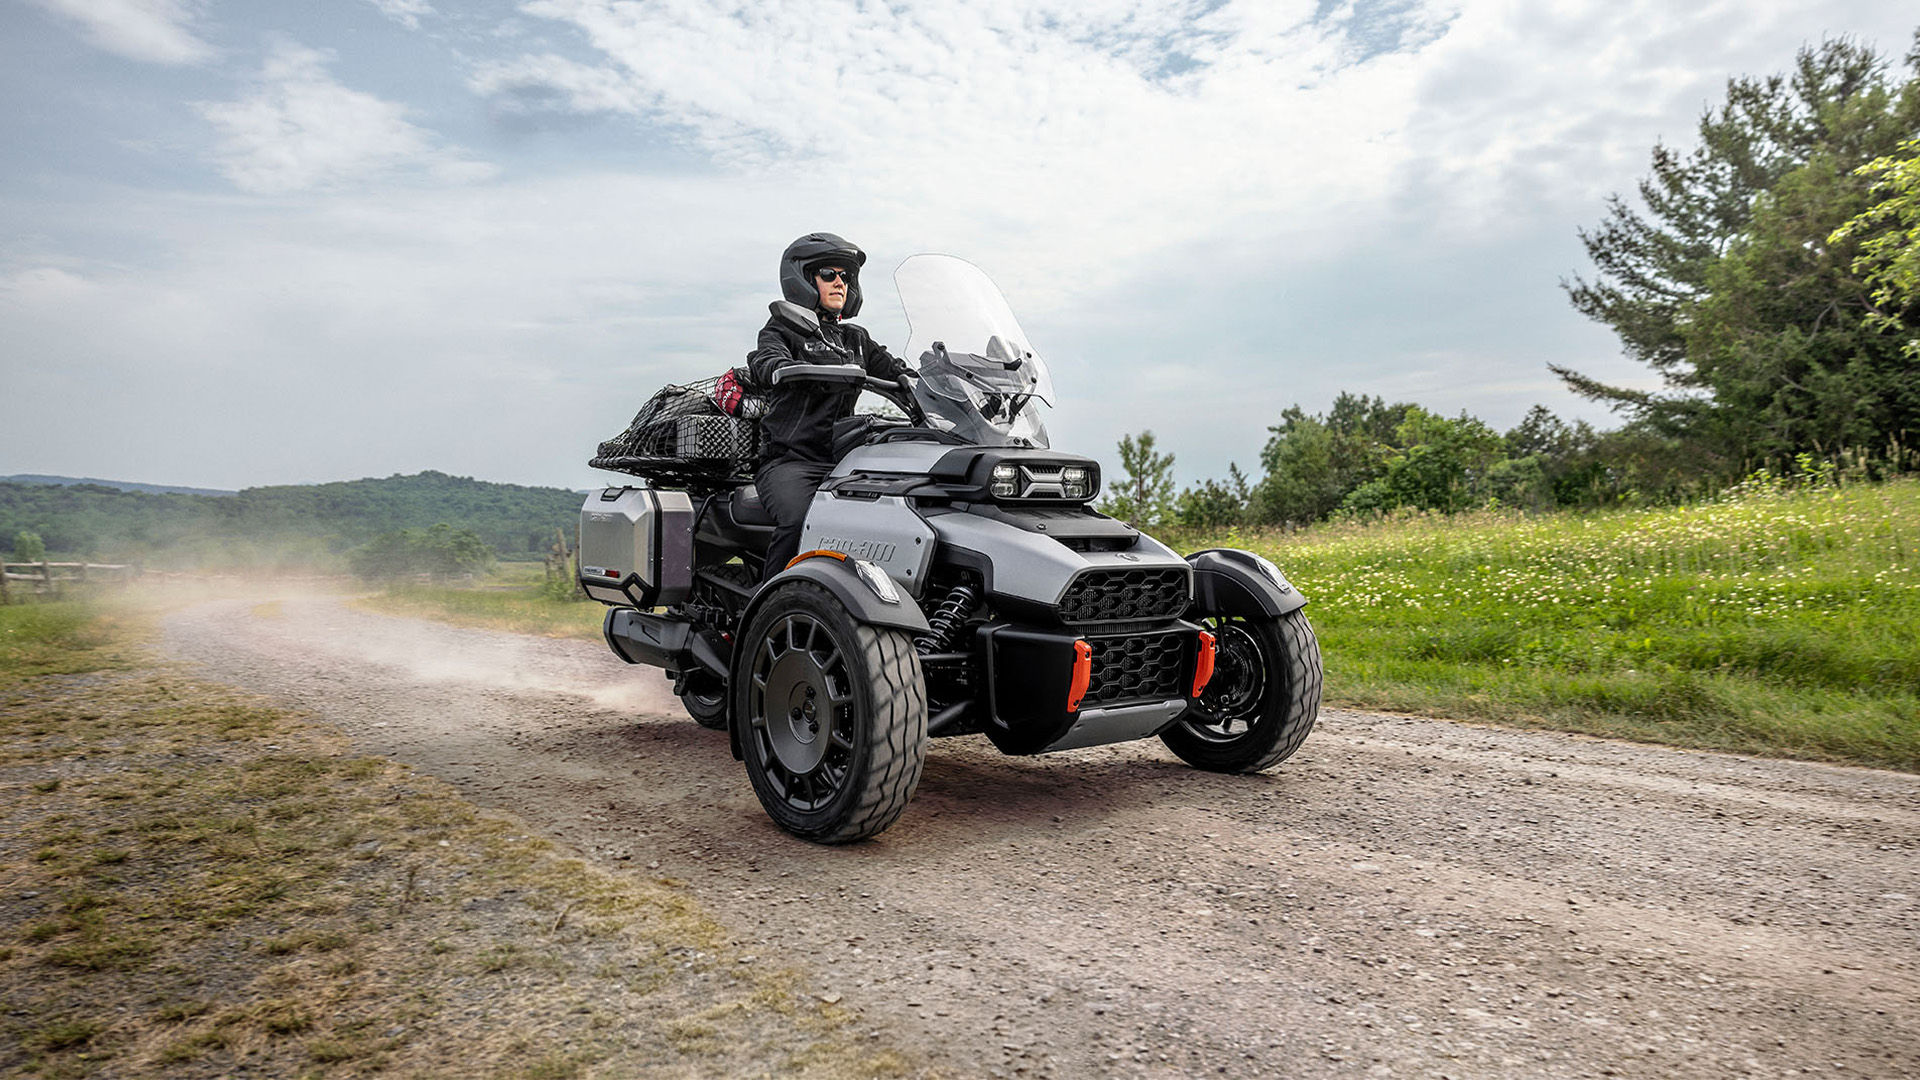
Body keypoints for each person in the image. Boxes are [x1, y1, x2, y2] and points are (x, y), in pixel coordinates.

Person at [749, 232, 912, 580]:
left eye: (846, 277)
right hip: (790, 462)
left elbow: (896, 369)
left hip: (843, 462)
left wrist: (939, 376)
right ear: (805, 280)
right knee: (799, 522)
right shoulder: (783, 328)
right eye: (829, 275)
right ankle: (765, 612)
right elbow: (765, 361)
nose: (840, 283)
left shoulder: (857, 339)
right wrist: (780, 368)